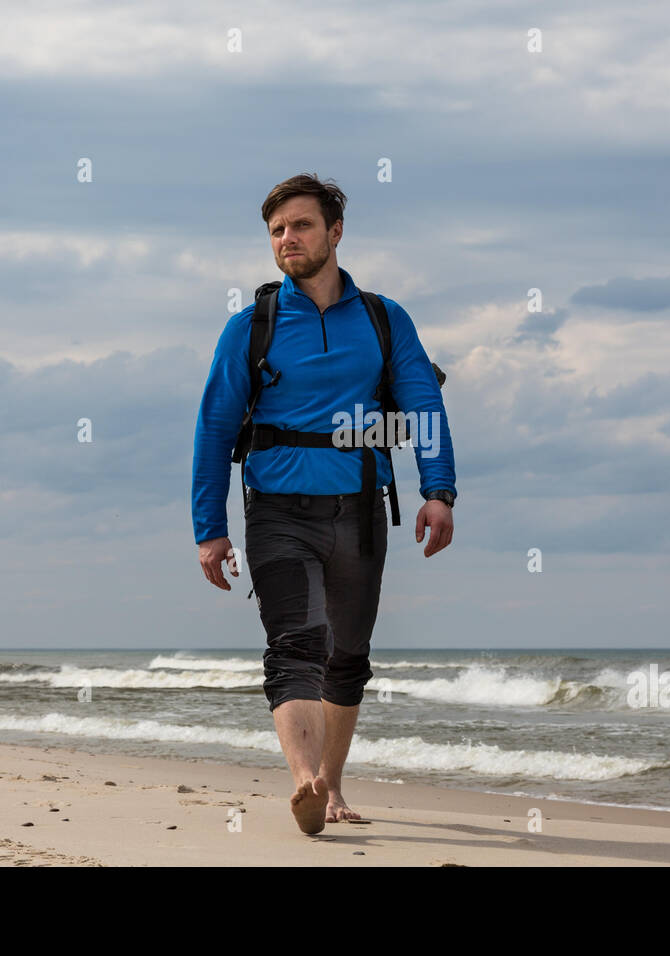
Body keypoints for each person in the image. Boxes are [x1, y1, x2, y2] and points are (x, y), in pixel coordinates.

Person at [191, 173, 457, 834]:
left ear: (335, 233)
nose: (288, 239)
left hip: (362, 507)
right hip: (278, 506)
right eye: (277, 230)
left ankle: (331, 786)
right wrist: (210, 529)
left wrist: (438, 490)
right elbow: (214, 427)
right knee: (295, 642)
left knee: (348, 656)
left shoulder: (382, 317)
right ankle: (305, 781)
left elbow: (423, 402)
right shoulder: (251, 326)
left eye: (301, 226)